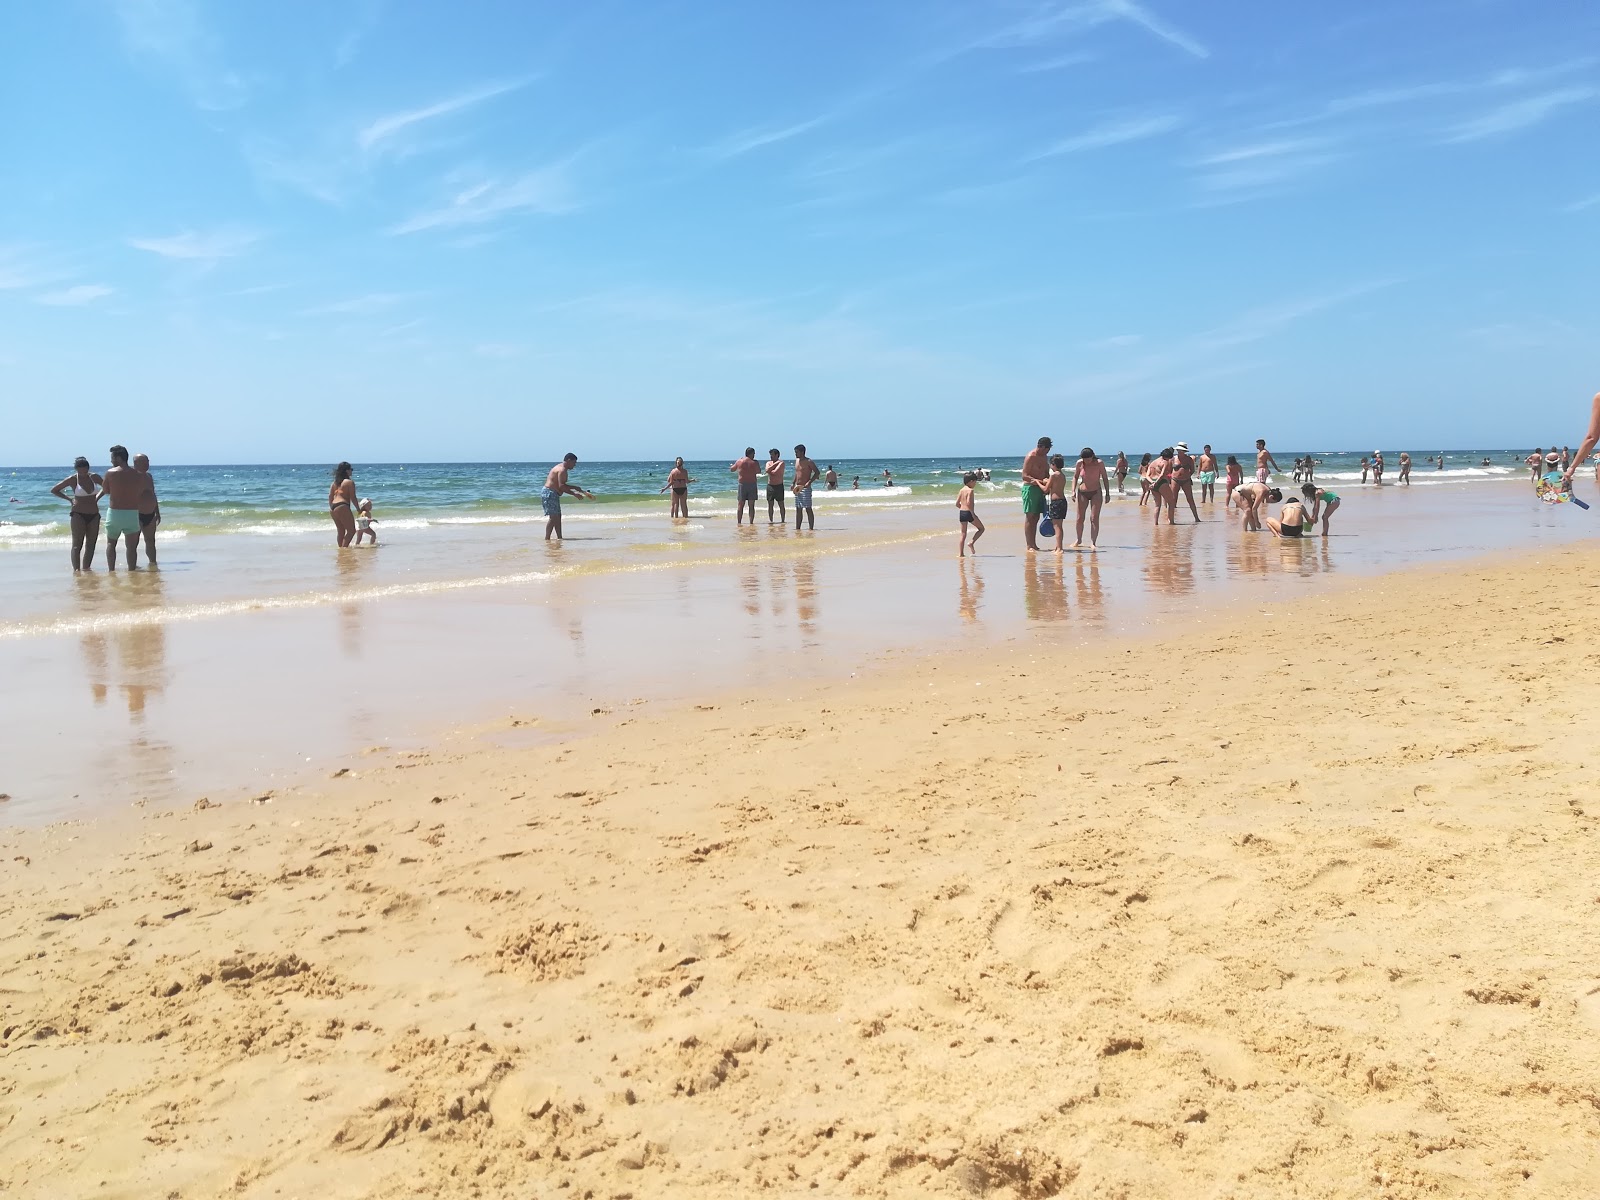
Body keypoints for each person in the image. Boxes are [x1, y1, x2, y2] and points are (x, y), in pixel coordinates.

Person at [51, 455, 103, 572]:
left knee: (91, 544)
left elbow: (107, 487)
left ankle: (86, 568)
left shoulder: (94, 477)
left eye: (86, 468)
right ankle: (76, 571)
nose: (84, 471)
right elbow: (54, 490)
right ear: (76, 469)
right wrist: (69, 499)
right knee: (77, 545)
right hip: (78, 514)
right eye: (81, 468)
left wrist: (98, 497)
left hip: (94, 514)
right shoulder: (73, 479)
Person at [101, 445, 147, 568]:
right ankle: (132, 571)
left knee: (111, 543)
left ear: (119, 458)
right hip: (132, 513)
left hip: (115, 513)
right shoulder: (138, 474)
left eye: (113, 457)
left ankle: (111, 571)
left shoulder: (110, 473)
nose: (111, 461)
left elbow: (106, 490)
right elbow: (140, 491)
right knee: (131, 548)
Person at [542, 453, 594, 541]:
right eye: (574, 463)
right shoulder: (562, 470)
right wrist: (574, 493)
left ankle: (560, 538)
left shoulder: (561, 467)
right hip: (549, 493)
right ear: (569, 461)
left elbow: (562, 485)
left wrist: (576, 488)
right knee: (553, 517)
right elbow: (561, 486)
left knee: (558, 516)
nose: (575, 465)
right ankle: (547, 539)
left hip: (552, 493)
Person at [1072, 448, 1108, 549]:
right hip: (1082, 492)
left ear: (1092, 456)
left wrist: (1108, 493)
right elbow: (1075, 477)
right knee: (1080, 518)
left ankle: (1093, 542)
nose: (1086, 461)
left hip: (1096, 491)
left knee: (1094, 518)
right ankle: (1079, 540)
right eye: (1084, 459)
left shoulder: (1099, 463)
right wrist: (1073, 491)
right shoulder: (1080, 463)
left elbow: (1105, 477)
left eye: (1088, 459)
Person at [1020, 436, 1052, 551]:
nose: (1047, 452)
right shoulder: (1031, 456)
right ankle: (1029, 545)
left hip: (1041, 489)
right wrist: (1037, 481)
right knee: (1030, 516)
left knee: (1037, 517)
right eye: (1046, 450)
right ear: (1041, 447)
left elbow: (1046, 472)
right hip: (1030, 488)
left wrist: (1048, 482)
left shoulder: (1044, 457)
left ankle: (1034, 544)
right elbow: (1024, 476)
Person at [132, 453, 160, 565]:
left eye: (147, 461)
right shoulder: (132, 477)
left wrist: (157, 512)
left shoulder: (149, 476)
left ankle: (153, 564)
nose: (146, 464)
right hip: (136, 514)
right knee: (133, 543)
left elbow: (153, 494)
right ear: (135, 464)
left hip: (151, 513)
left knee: (151, 541)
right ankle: (132, 567)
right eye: (143, 462)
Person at [329, 461, 357, 548]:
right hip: (342, 505)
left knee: (341, 531)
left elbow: (330, 496)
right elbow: (353, 497)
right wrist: (359, 509)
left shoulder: (335, 483)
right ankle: (344, 550)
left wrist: (332, 507)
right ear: (346, 471)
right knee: (351, 531)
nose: (352, 471)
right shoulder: (349, 482)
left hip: (333, 507)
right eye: (351, 469)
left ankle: (340, 549)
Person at [1170, 442, 1200, 522]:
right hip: (1175, 479)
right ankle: (1170, 519)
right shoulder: (1173, 459)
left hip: (1186, 480)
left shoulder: (1189, 459)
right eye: (1179, 450)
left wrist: (1187, 476)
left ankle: (1196, 518)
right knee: (1173, 499)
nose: (1180, 452)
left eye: (1182, 450)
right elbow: (1169, 469)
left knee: (1190, 498)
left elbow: (1192, 470)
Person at [1044, 454, 1069, 552]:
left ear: (1053, 464)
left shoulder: (1054, 475)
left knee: (1057, 526)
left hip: (1056, 502)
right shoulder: (1062, 475)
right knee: (1059, 525)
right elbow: (1054, 486)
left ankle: (1059, 548)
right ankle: (1058, 546)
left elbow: (1046, 489)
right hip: (1062, 501)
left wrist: (1037, 482)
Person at [729, 448, 760, 525]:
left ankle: (739, 522)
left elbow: (732, 469)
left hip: (742, 484)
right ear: (751, 453)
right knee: (751, 505)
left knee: (740, 504)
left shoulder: (740, 461)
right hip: (752, 484)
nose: (754, 455)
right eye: (754, 454)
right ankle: (751, 522)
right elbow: (758, 471)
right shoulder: (754, 462)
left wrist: (733, 465)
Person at [956, 472, 984, 556]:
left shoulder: (961, 490)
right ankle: (971, 542)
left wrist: (963, 508)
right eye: (975, 482)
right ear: (971, 481)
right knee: (981, 529)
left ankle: (961, 553)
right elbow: (969, 503)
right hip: (969, 512)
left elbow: (957, 504)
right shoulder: (970, 491)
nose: (975, 484)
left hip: (962, 512)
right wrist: (973, 514)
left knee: (963, 534)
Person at [1146, 447, 1176, 526]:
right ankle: (1171, 521)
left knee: (1157, 505)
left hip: (1152, 484)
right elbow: (1162, 474)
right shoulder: (1164, 462)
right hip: (1161, 483)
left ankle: (1155, 523)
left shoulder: (1152, 463)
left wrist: (1152, 482)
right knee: (1171, 502)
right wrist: (1156, 482)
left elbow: (1147, 475)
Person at [764, 449, 787, 524]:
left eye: (772, 454)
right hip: (770, 486)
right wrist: (776, 463)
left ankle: (783, 520)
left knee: (781, 504)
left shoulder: (782, 463)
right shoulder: (769, 463)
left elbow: (774, 472)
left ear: (777, 455)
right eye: (770, 455)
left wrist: (772, 468)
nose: (771, 456)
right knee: (770, 504)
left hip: (779, 486)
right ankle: (771, 520)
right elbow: (767, 470)